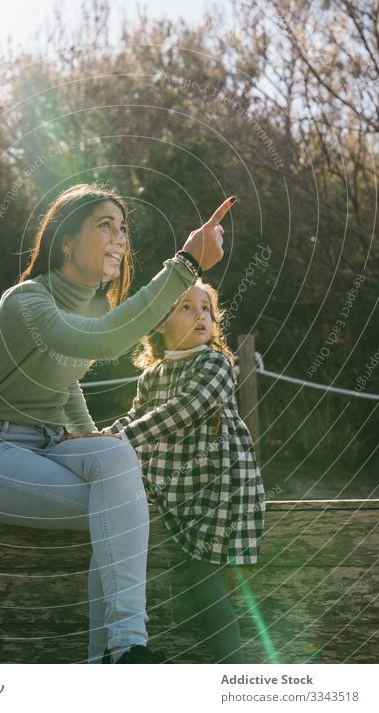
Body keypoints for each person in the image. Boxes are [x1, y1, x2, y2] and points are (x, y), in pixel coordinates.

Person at [0, 182, 235, 664]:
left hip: (52, 444)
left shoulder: (94, 306)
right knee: (119, 507)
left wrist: (92, 434)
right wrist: (185, 266)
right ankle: (116, 652)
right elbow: (103, 341)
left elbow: (64, 383)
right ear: (66, 240)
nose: (119, 237)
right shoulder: (27, 302)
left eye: (123, 228)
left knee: (115, 455)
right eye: (104, 225)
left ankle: (123, 649)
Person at [101, 279, 266, 663]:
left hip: (221, 489)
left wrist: (121, 439)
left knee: (204, 585)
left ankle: (236, 676)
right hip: (179, 491)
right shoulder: (152, 376)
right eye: (187, 308)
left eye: (206, 308)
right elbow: (136, 418)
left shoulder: (214, 364)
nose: (201, 316)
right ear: (159, 322)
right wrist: (97, 438)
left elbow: (186, 409)